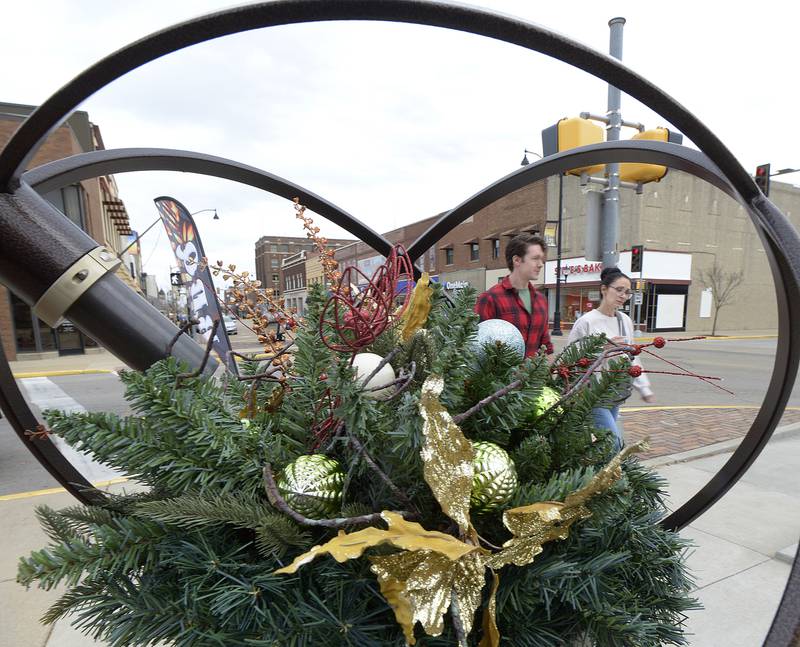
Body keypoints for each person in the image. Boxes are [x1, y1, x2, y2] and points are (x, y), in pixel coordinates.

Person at [567, 266, 654, 450]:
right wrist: (601, 349)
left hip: (615, 391)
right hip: (593, 393)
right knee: (613, 444)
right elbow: (571, 359)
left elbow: (633, 357)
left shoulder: (625, 321)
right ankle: (610, 475)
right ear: (604, 289)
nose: (623, 295)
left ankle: (597, 475)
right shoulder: (587, 322)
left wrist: (644, 388)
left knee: (603, 442)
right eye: (619, 290)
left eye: (627, 292)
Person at [475, 233, 553, 358]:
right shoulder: (490, 298)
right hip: (501, 376)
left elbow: (545, 346)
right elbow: (476, 348)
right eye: (535, 258)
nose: (540, 264)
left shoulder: (541, 300)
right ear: (517, 260)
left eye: (541, 259)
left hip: (534, 376)